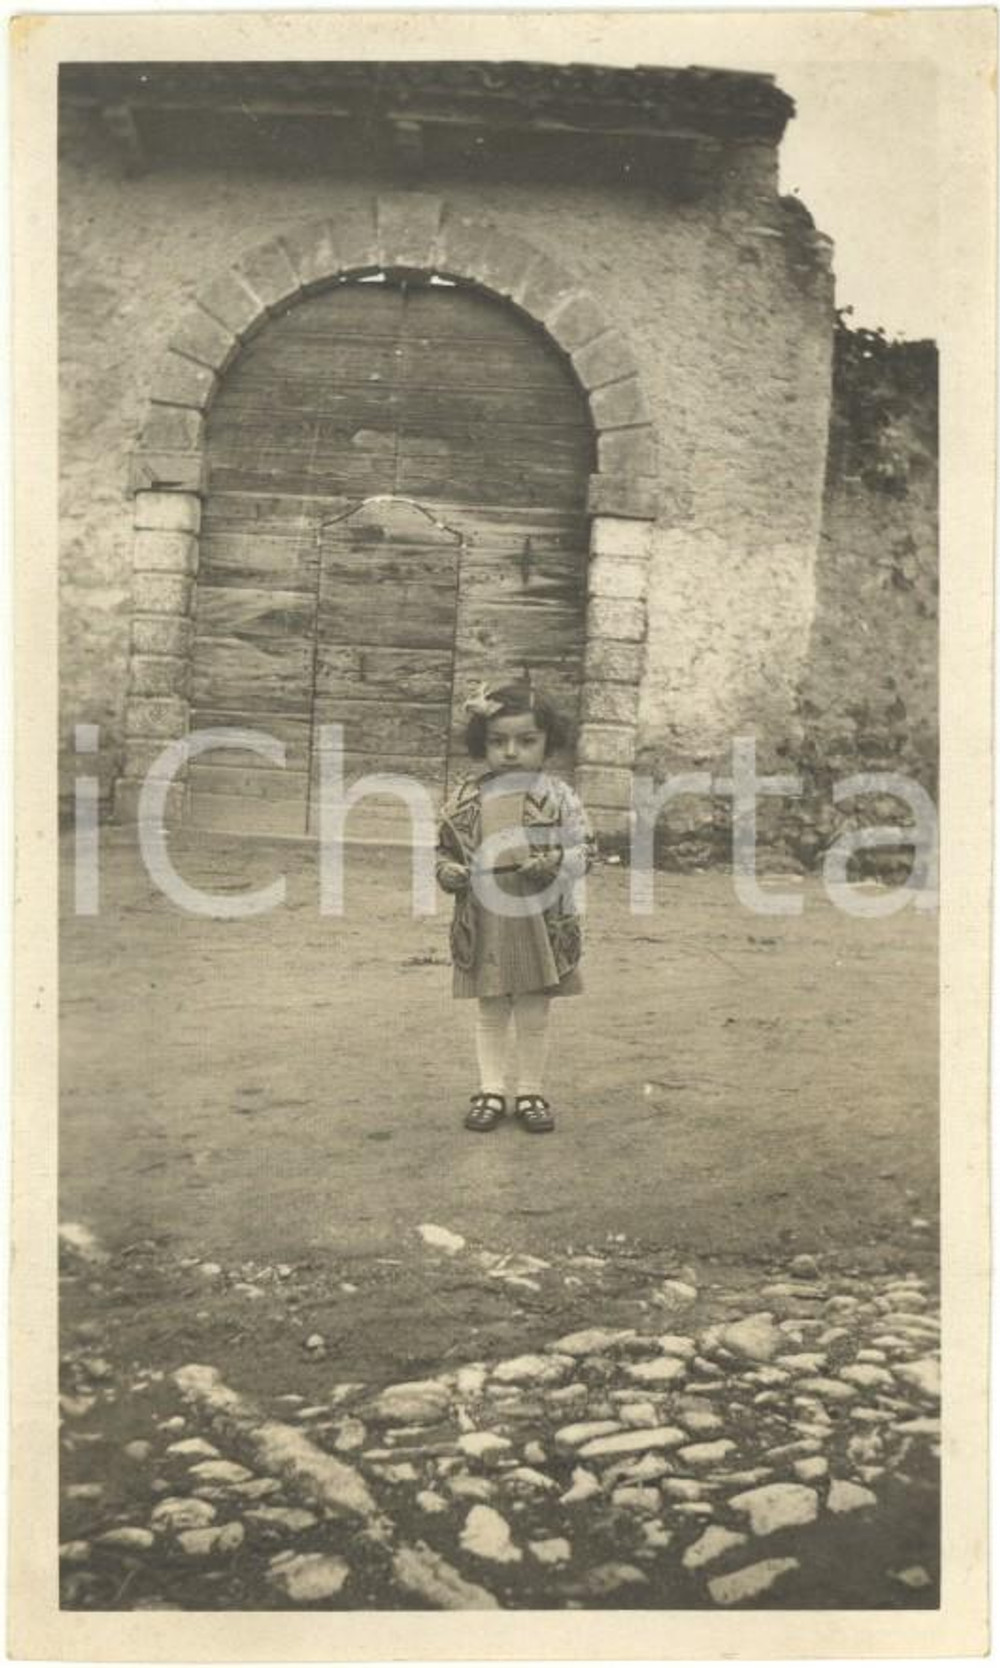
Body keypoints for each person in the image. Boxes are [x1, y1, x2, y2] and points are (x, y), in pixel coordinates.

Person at [436, 678, 595, 1134]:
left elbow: (587, 852)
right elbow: (443, 850)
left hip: (539, 917)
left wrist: (556, 862)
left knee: (532, 1008)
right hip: (486, 915)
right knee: (490, 1007)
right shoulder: (465, 798)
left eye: (526, 741)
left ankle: (529, 1091)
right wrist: (447, 871)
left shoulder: (560, 798)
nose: (511, 752)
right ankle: (490, 1089)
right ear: (481, 743)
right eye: (497, 741)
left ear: (548, 742)